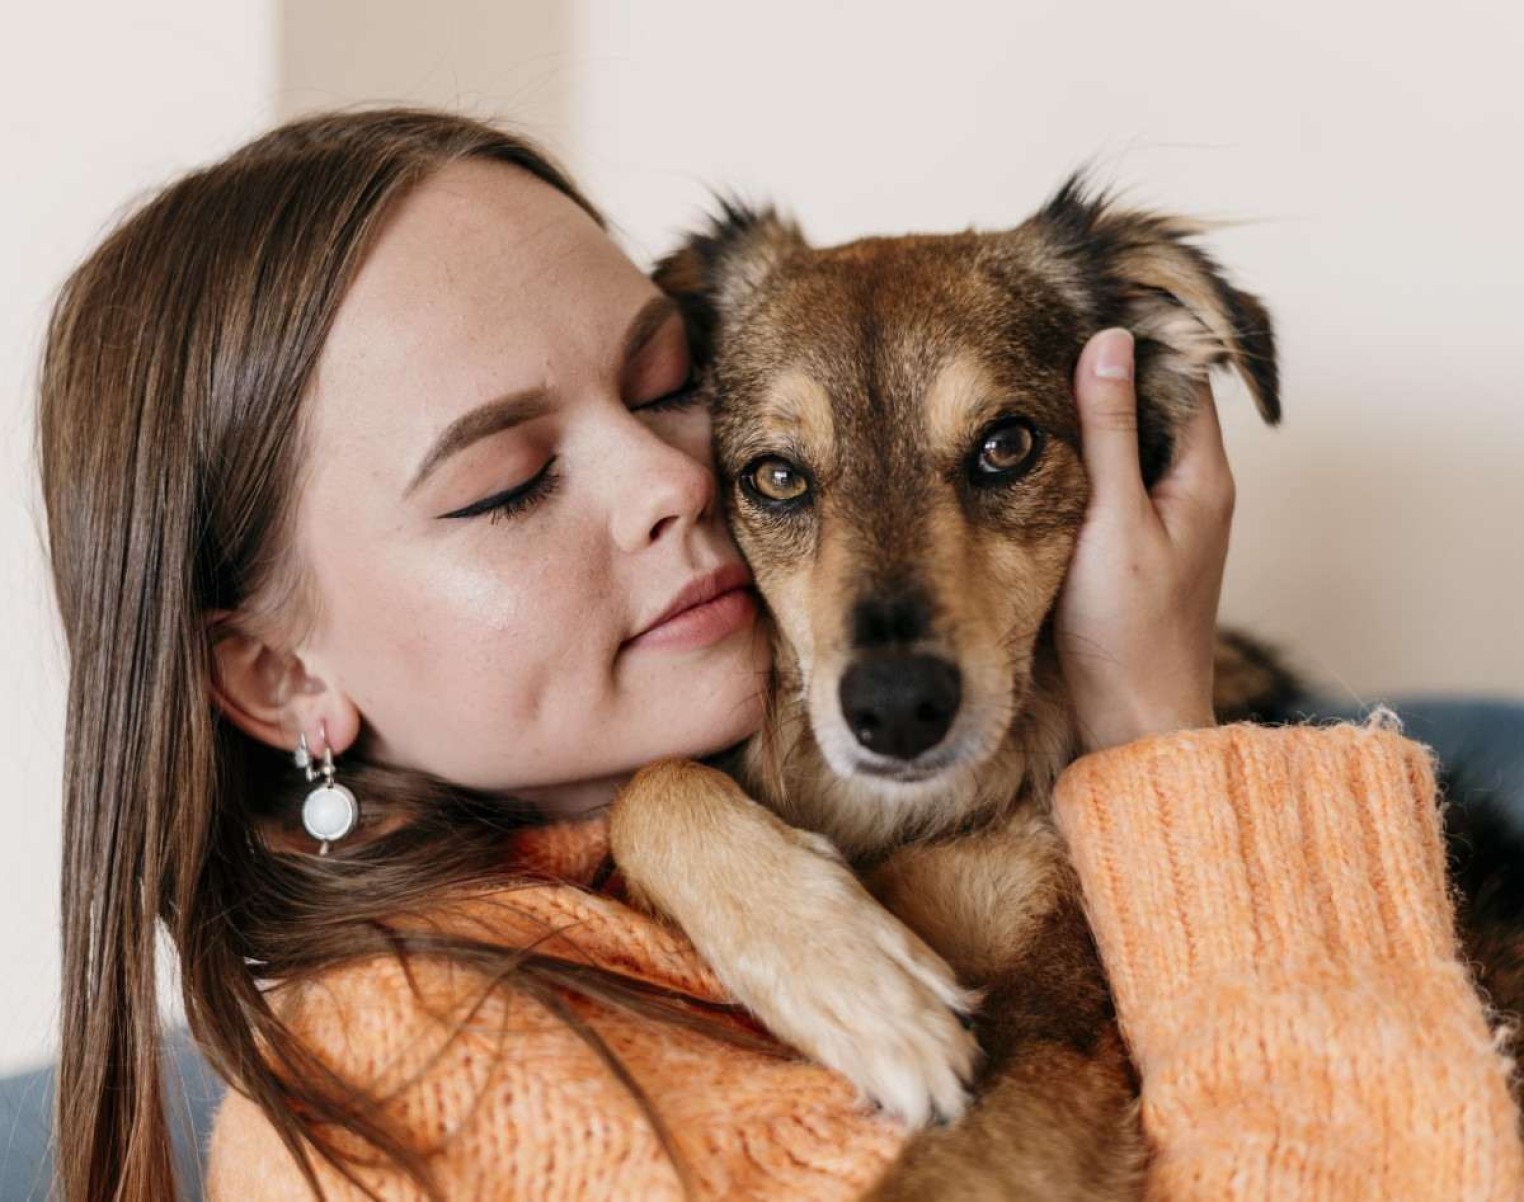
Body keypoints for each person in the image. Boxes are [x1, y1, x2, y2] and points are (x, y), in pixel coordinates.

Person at [36, 108, 1522, 1202]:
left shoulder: (733, 818)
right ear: (281, 677)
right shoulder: (405, 1093)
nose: (675, 483)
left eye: (668, 388)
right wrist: (1164, 746)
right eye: (507, 480)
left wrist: (1150, 727)